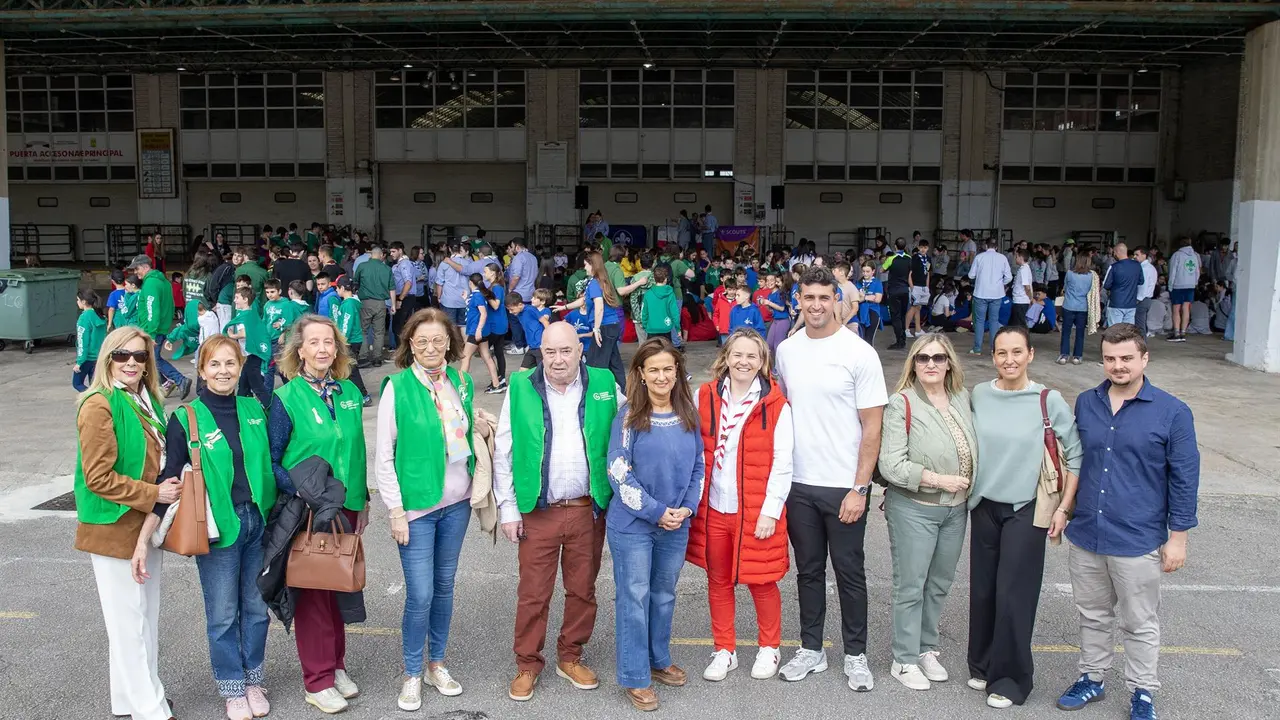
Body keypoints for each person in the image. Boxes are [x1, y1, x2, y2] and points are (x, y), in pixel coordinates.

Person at [1054, 324, 1199, 720]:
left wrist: (1179, 538)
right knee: (1093, 615)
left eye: (1126, 359)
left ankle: (1143, 692)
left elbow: (1185, 477)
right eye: (1111, 358)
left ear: (1144, 359)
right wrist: (1064, 509)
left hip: (1138, 538)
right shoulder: (1086, 402)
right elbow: (1075, 462)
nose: (1118, 366)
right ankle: (1093, 678)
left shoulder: (1172, 412)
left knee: (1139, 622)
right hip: (1087, 533)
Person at [492, 322, 622, 703]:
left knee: (582, 590)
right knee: (533, 593)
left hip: (587, 510)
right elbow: (504, 451)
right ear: (541, 353)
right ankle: (528, 663)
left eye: (566, 351)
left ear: (580, 350)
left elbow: (632, 425)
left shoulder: (603, 383)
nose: (558, 359)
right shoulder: (519, 387)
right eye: (550, 352)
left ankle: (571, 655)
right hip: (539, 511)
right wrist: (508, 508)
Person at [775, 266, 887, 692]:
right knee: (808, 571)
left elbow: (872, 427)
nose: (817, 305)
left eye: (825, 297)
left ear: (837, 298)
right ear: (799, 300)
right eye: (809, 297)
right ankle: (811, 649)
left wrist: (860, 487)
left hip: (844, 486)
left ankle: (856, 655)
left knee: (849, 572)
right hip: (799, 484)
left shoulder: (859, 353)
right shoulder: (787, 350)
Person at [376, 308, 492, 711]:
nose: (430, 347)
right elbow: (384, 456)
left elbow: (456, 428)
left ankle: (436, 664)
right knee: (420, 593)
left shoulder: (459, 381)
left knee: (444, 588)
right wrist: (395, 510)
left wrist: (475, 423)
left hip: (456, 504)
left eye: (437, 340)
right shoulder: (397, 386)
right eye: (421, 341)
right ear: (410, 345)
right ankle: (411, 672)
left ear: (449, 343)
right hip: (418, 509)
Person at [158, 335, 276, 720]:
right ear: (202, 369)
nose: (223, 371)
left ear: (240, 368)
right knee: (224, 613)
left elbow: (273, 461)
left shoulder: (254, 408)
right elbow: (171, 474)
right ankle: (232, 687)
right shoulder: (186, 417)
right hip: (219, 526)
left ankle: (253, 679)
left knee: (257, 608)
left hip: (259, 521)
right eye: (215, 365)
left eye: (230, 364)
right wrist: (148, 530)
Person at [968, 325, 1083, 709]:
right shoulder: (981, 395)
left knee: (1014, 595)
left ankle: (1012, 680)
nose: (1009, 360)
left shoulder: (1047, 400)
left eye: (1017, 352)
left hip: (1027, 509)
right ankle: (982, 664)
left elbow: (1076, 456)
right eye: (1002, 353)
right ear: (993, 357)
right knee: (984, 590)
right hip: (984, 505)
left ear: (1030, 354)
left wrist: (1064, 508)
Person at [73, 326, 182, 720]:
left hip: (144, 524)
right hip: (113, 526)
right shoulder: (98, 403)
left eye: (139, 356)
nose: (132, 362)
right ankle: (149, 707)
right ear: (108, 359)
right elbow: (98, 477)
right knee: (129, 623)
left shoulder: (147, 398)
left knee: (143, 618)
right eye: (122, 355)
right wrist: (154, 494)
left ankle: (128, 697)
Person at [268, 315, 370, 714]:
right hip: (308, 509)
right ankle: (317, 679)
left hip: (345, 505)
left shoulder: (347, 392)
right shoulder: (287, 397)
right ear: (300, 350)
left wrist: (361, 504)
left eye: (329, 342)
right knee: (312, 594)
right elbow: (273, 461)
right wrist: (302, 492)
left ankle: (337, 666)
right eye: (314, 343)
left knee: (339, 587)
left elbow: (357, 451)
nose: (323, 349)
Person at [688, 330, 793, 683]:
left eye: (752, 356)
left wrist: (771, 510)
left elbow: (783, 462)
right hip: (715, 507)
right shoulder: (704, 396)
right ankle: (725, 649)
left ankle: (769, 646)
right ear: (726, 357)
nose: (743, 362)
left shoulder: (776, 404)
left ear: (763, 362)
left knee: (761, 580)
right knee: (718, 580)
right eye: (737, 354)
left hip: (756, 511)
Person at [606, 337, 704, 711]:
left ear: (677, 372)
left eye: (668, 368)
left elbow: (698, 467)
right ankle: (634, 675)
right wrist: (655, 511)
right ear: (642, 375)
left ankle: (657, 659)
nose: (662, 376)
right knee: (634, 597)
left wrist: (686, 509)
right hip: (634, 525)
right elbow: (618, 472)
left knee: (664, 595)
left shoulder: (687, 414)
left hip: (676, 523)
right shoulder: (629, 416)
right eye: (654, 370)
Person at [878, 333, 975, 691]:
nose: (931, 363)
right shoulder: (900, 404)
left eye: (938, 357)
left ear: (950, 362)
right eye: (922, 358)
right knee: (911, 585)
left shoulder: (962, 398)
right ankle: (903, 659)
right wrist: (937, 480)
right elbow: (890, 465)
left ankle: (925, 648)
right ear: (913, 364)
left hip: (956, 511)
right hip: (915, 508)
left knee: (938, 585)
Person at [127, 254, 193, 399]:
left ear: (145, 267)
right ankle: (167, 382)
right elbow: (167, 306)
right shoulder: (162, 282)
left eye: (136, 269)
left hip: (152, 329)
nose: (135, 273)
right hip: (159, 327)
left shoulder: (151, 284)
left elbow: (152, 309)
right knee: (151, 359)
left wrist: (150, 334)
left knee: (152, 360)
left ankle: (179, 379)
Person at [562, 251, 626, 388]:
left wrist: (596, 329)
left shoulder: (595, 284)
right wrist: (564, 307)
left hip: (605, 327)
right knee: (614, 363)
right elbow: (584, 300)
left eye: (586, 265)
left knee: (596, 363)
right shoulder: (599, 281)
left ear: (592, 265)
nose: (584, 268)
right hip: (612, 326)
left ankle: (596, 393)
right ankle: (624, 393)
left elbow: (599, 306)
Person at [224, 287, 273, 409]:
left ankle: (270, 408)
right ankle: (240, 407)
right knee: (243, 384)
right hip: (251, 355)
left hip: (251, 354)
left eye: (237, 298)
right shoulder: (251, 313)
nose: (234, 300)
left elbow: (245, 333)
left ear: (245, 299)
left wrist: (232, 335)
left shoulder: (244, 316)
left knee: (257, 386)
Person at [459, 273, 504, 394]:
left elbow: (483, 313)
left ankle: (461, 385)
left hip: (476, 331)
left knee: (465, 357)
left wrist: (478, 330)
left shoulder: (478, 295)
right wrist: (465, 299)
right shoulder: (479, 294)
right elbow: (474, 309)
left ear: (470, 283)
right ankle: (496, 384)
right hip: (481, 331)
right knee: (487, 357)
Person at [353, 244, 396, 367]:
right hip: (381, 304)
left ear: (370, 254)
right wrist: (393, 304)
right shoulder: (387, 269)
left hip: (365, 302)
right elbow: (392, 288)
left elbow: (355, 282)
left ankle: (363, 357)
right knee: (379, 332)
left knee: (363, 330)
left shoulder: (362, 266)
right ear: (381, 255)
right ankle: (377, 358)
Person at [968, 238, 1013, 355]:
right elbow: (1009, 277)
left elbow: (971, 275)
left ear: (985, 246)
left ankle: (977, 348)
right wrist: (999, 284)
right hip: (997, 294)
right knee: (994, 321)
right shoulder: (1002, 258)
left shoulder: (979, 257)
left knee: (979, 321)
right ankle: (994, 349)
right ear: (996, 247)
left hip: (980, 293)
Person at [331, 276, 372, 405]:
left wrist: (341, 340)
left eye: (337, 288)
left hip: (349, 341)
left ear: (342, 288)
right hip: (352, 340)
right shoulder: (351, 302)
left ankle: (363, 395)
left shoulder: (348, 304)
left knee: (351, 369)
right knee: (348, 368)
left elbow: (346, 324)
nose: (336, 290)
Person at [1058, 255, 1094, 365]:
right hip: (1082, 306)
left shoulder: (1069, 273)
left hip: (1069, 305)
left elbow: (1065, 286)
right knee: (1080, 333)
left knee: (1066, 332)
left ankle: (1064, 355)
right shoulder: (1091, 276)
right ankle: (1077, 356)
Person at [507, 238, 539, 353]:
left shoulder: (519, 258)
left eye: (512, 246)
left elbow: (516, 276)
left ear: (517, 246)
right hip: (530, 293)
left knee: (514, 320)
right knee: (527, 320)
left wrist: (510, 289)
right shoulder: (533, 257)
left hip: (518, 294)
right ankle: (526, 344)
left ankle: (519, 346)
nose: (511, 249)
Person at [482, 263, 510, 392]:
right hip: (499, 323)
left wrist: (484, 293)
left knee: (485, 352)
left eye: (486, 271)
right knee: (498, 352)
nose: (484, 274)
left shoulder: (496, 287)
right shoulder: (494, 286)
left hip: (496, 324)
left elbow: (496, 305)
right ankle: (501, 379)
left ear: (493, 273)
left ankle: (497, 381)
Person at [1167, 237, 1200, 343]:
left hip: (1178, 285)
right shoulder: (1195, 255)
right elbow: (1197, 271)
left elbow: (1173, 271)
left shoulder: (1177, 255)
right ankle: (1183, 332)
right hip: (1190, 285)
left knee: (1176, 309)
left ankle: (1176, 333)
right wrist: (1195, 282)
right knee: (1186, 308)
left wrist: (1170, 285)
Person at [74, 289, 107, 392]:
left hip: (87, 358)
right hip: (99, 357)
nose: (77, 302)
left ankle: (91, 398)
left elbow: (82, 341)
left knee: (77, 383)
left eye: (78, 300)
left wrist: (79, 362)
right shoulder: (100, 315)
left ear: (84, 302)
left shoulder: (84, 318)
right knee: (96, 385)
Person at [1103, 243, 1143, 326]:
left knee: (1115, 331)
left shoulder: (1114, 267)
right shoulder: (1137, 265)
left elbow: (1106, 285)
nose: (1114, 255)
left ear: (1117, 252)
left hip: (1116, 303)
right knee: (1128, 332)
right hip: (1131, 304)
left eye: (1114, 252)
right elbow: (1141, 281)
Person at [883, 240, 912, 349]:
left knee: (895, 316)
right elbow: (911, 273)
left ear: (895, 246)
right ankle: (903, 339)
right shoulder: (909, 258)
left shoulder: (891, 258)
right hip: (905, 290)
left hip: (894, 290)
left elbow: (882, 269)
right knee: (903, 315)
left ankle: (899, 341)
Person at [906, 239, 932, 338]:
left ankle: (918, 329)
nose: (923, 249)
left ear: (928, 248)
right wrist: (912, 287)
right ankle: (906, 329)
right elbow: (910, 274)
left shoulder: (928, 259)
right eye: (921, 247)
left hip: (923, 287)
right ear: (918, 247)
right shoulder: (914, 258)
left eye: (925, 248)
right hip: (915, 286)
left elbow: (928, 273)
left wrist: (927, 287)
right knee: (913, 307)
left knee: (918, 308)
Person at [1008, 249, 1033, 328]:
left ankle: (1023, 339)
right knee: (1017, 323)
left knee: (1019, 325)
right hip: (1019, 300)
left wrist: (1030, 298)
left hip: (1021, 301)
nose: (1015, 259)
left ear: (1021, 257)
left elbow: (1027, 287)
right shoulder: (1023, 268)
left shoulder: (1024, 270)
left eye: (1016, 257)